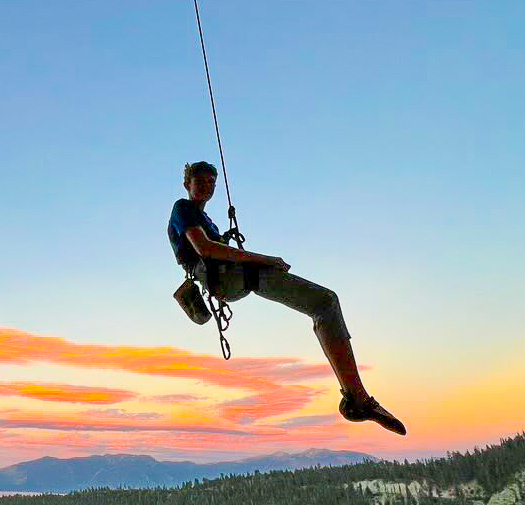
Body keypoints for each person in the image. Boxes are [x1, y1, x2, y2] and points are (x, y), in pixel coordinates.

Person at [168, 161, 406, 436]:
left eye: (211, 182)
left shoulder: (204, 218)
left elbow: (209, 246)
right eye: (200, 181)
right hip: (229, 277)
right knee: (325, 303)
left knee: (324, 304)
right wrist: (265, 259)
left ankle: (357, 396)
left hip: (231, 279)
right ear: (187, 184)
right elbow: (205, 248)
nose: (206, 186)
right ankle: (358, 398)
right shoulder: (182, 208)